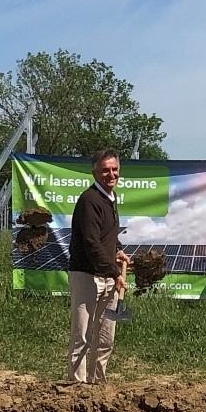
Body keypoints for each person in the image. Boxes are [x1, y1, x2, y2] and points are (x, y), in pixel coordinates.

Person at [67, 149, 130, 384]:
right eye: (105, 170)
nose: (110, 174)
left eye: (114, 170)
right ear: (94, 172)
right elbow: (91, 243)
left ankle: (98, 385)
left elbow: (105, 236)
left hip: (107, 276)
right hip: (87, 275)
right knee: (82, 335)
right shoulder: (89, 200)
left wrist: (117, 250)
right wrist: (115, 273)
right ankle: (78, 386)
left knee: (105, 337)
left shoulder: (110, 199)